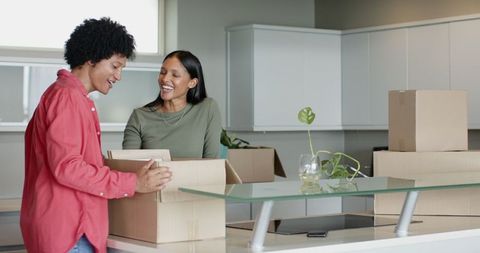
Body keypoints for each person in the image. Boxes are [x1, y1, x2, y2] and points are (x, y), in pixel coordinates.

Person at [20, 17, 172, 253]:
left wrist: (129, 173)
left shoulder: (66, 96)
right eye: (115, 66)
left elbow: (81, 163)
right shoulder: (68, 99)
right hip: (70, 232)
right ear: (91, 58)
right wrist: (134, 183)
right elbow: (68, 168)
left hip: (65, 228)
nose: (118, 76)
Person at [122, 50, 222, 158]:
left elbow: (212, 162)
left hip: (197, 175)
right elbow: (129, 165)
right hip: (153, 175)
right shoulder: (139, 116)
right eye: (163, 72)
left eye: (175, 75)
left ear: (192, 83)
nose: (165, 79)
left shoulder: (207, 108)